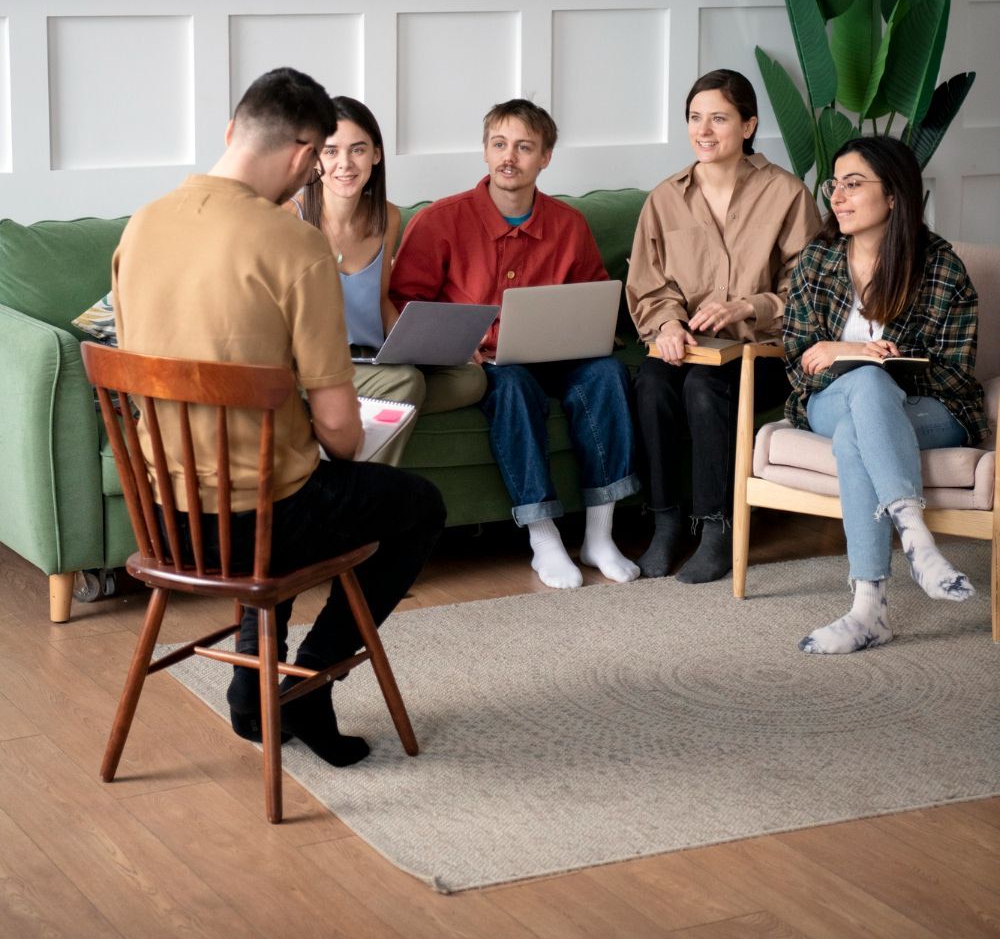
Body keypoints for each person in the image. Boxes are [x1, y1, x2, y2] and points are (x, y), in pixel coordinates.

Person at [112, 67, 446, 763]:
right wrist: (338, 433)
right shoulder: (295, 246)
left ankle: (251, 680)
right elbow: (342, 434)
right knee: (411, 505)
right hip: (254, 527)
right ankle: (309, 684)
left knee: (287, 478)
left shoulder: (140, 226)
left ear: (233, 130)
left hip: (164, 518)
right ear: (304, 157)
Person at [389, 99, 641, 590]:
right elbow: (404, 304)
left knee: (609, 374)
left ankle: (599, 535)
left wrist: (589, 331)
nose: (510, 157)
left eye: (524, 147)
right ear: (485, 151)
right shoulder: (440, 221)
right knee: (512, 386)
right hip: (487, 364)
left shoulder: (568, 224)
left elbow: (595, 298)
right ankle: (543, 538)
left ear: (545, 157)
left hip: (560, 355)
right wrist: (455, 346)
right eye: (499, 145)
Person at [784, 136, 985, 654]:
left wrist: (888, 362)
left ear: (894, 195)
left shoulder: (940, 266)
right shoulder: (818, 259)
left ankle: (868, 609)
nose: (838, 197)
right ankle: (916, 539)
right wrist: (844, 354)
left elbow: (956, 375)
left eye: (854, 184)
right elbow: (797, 366)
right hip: (827, 401)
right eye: (835, 184)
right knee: (864, 387)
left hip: (931, 410)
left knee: (863, 419)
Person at [627, 69, 821, 583]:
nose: (703, 130)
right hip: (689, 348)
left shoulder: (787, 194)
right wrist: (667, 324)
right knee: (649, 384)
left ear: (749, 125)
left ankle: (718, 527)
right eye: (695, 118)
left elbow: (810, 293)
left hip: (767, 354)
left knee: (704, 388)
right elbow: (649, 285)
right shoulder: (664, 198)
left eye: (719, 117)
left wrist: (747, 307)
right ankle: (666, 523)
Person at [286, 96, 485, 463]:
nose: (344, 164)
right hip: (311, 369)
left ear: (376, 155)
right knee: (406, 383)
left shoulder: (386, 218)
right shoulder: (289, 218)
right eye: (331, 152)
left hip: (370, 360)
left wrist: (431, 345)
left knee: (471, 380)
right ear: (315, 159)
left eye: (357, 150)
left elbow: (379, 303)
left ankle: (338, 425)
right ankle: (361, 491)